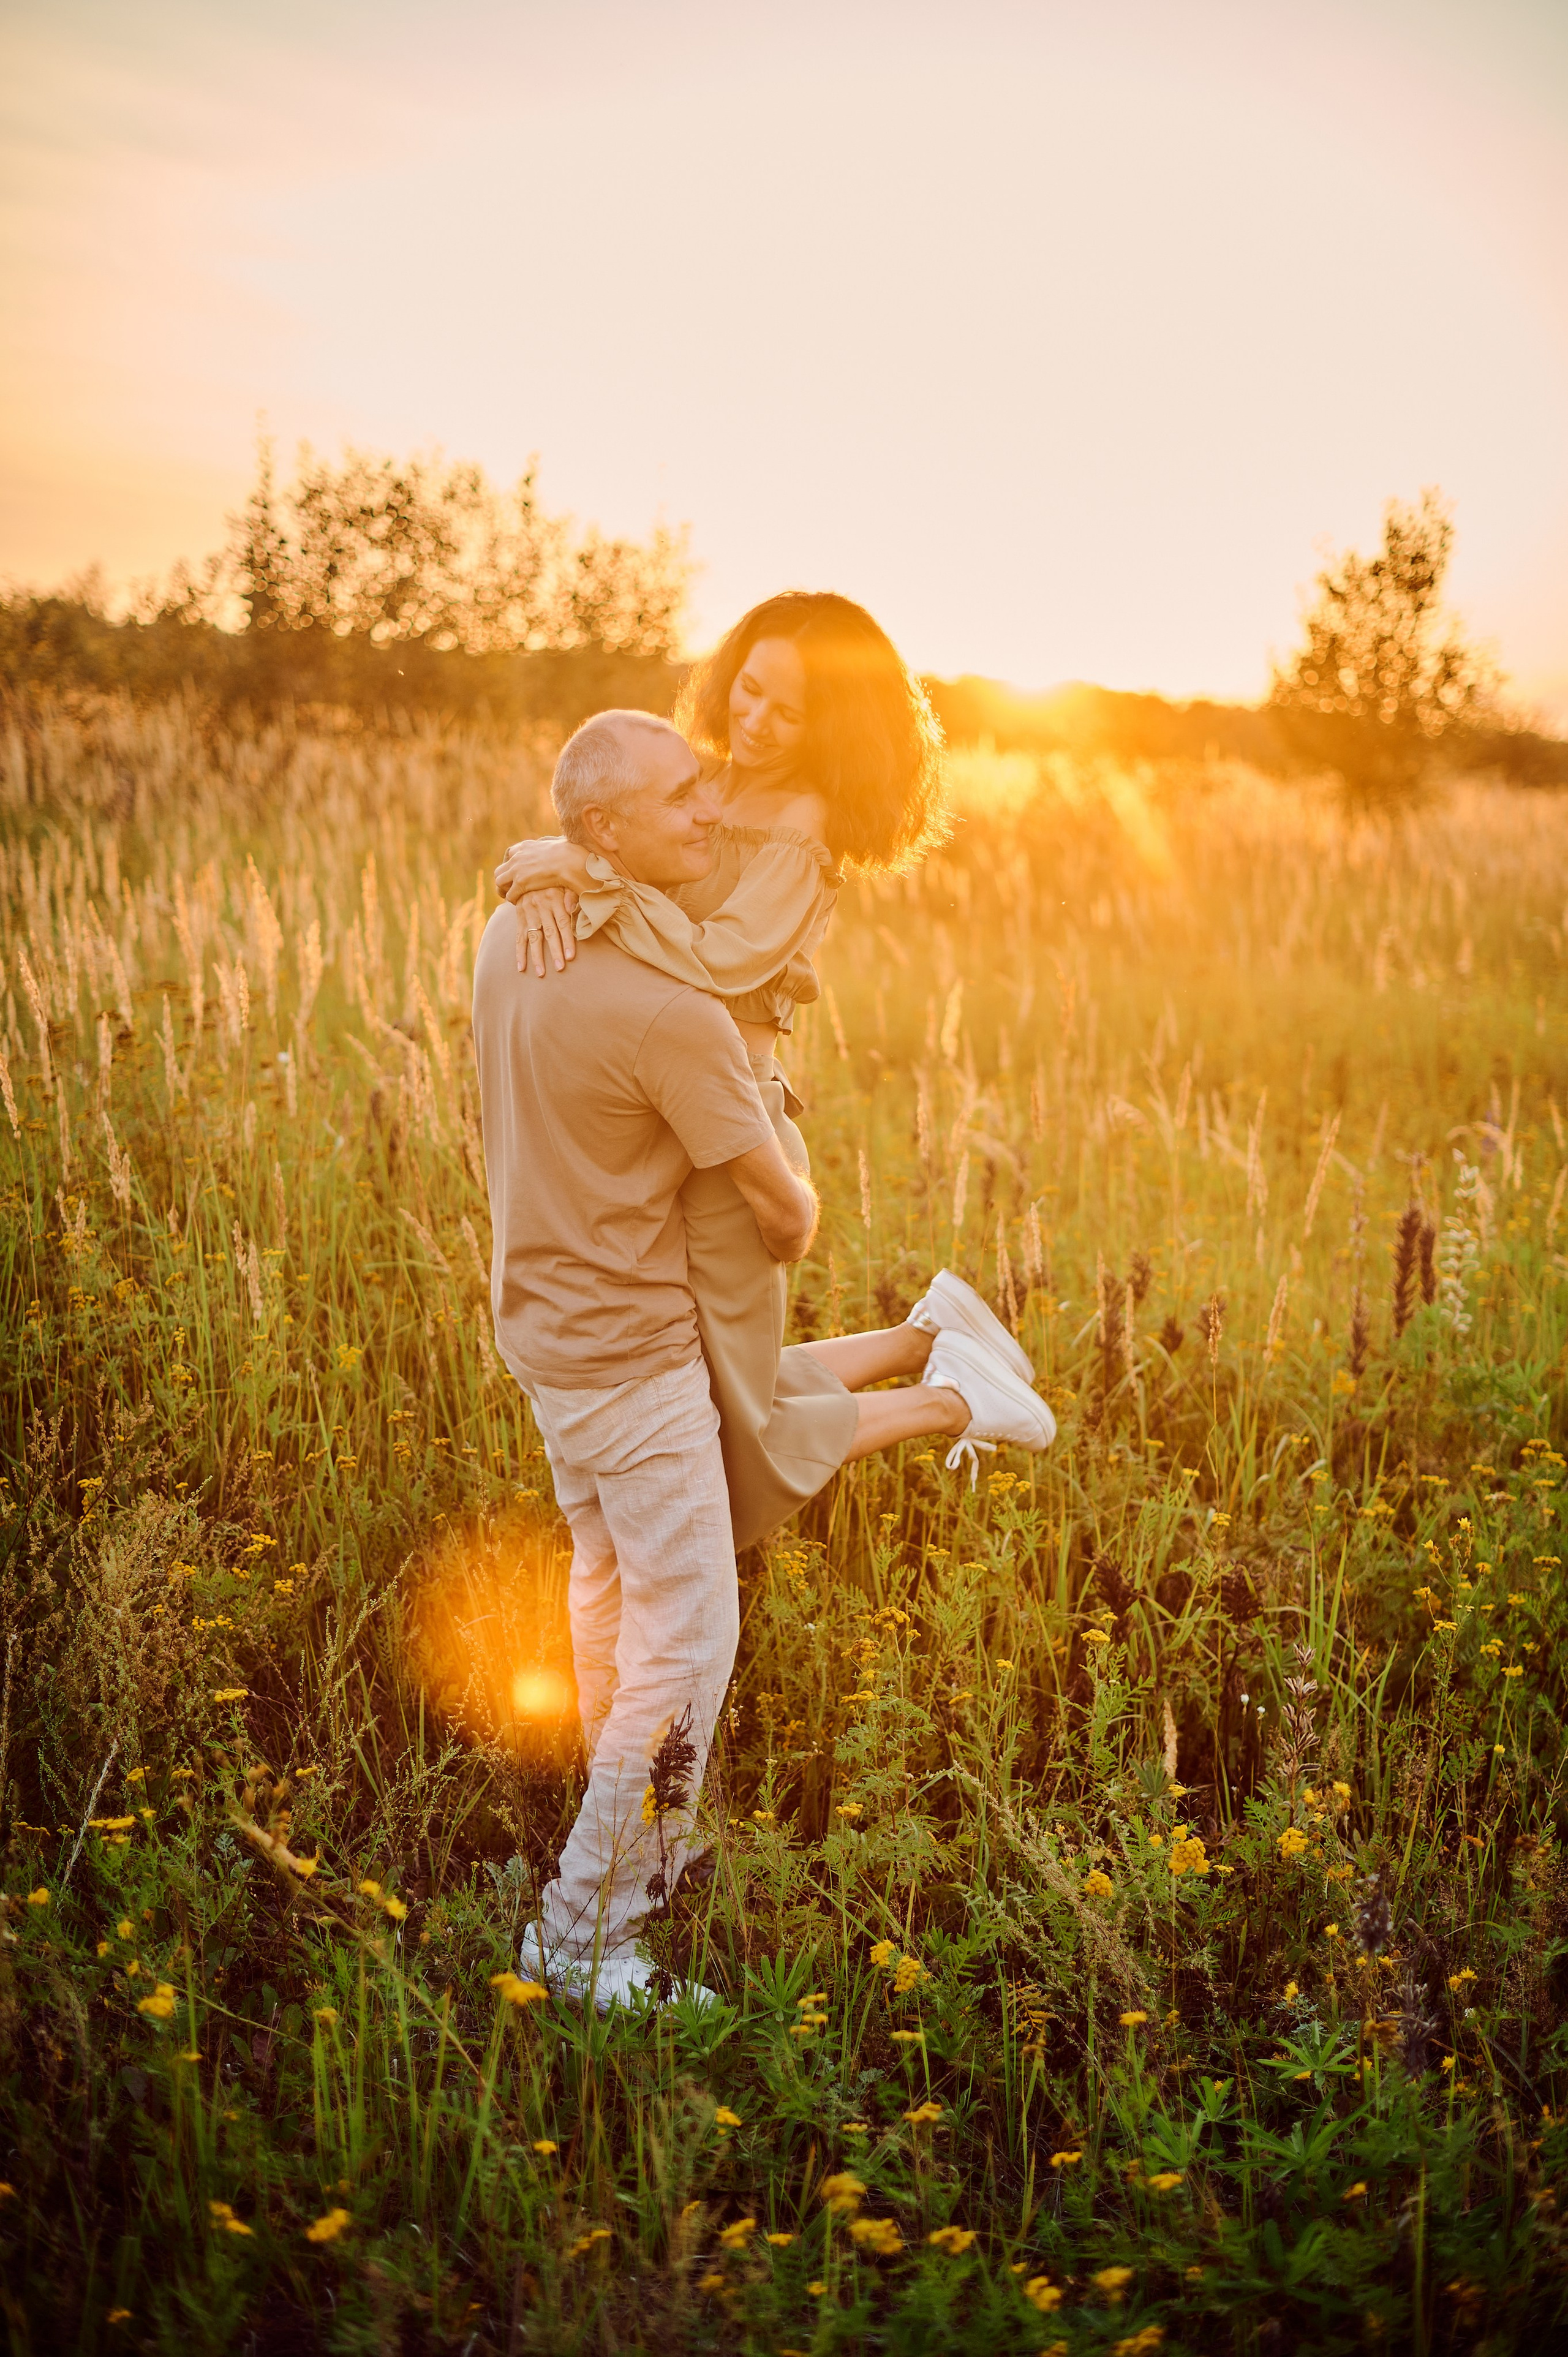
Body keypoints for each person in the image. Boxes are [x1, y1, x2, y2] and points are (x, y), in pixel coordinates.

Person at [472, 710, 1050, 2011]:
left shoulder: (518, 931)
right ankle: (583, 1938)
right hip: (632, 1350)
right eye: (682, 800)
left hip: (546, 1339)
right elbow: (784, 1216)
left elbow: (552, 886)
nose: (710, 814)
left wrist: (540, 864)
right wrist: (760, 1148)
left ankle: (644, 1841)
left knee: (611, 1588)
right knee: (686, 1644)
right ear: (605, 830)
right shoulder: (677, 1013)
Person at [492, 592, 954, 1548]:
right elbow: (606, 846)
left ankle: (950, 1403)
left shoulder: (802, 820)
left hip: (730, 1118)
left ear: (831, 728)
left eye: (790, 713)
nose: (757, 723)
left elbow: (716, 962)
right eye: (749, 691)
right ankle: (924, 1339)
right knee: (693, 1378)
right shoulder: (703, 780)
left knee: (733, 1421)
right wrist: (545, 867)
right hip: (649, 1122)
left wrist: (576, 872)